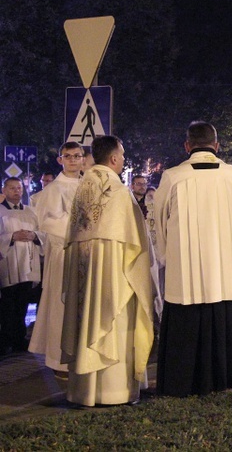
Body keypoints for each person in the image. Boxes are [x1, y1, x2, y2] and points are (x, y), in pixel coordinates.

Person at [154, 121, 232, 397]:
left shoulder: (173, 177)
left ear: (187, 146)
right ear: (217, 146)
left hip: (186, 273)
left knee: (186, 312)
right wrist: (231, 250)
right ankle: (229, 377)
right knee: (225, 310)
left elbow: (159, 222)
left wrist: (167, 256)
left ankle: (183, 381)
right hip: (226, 273)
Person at [60, 136, 154, 406]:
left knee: (85, 318)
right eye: (122, 155)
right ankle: (113, 392)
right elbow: (137, 241)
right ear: (113, 159)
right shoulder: (118, 190)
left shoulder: (83, 187)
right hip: (114, 273)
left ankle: (84, 391)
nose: (123, 160)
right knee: (112, 322)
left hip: (85, 270)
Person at [28, 142, 83, 376]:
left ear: (83, 158)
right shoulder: (53, 189)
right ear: (60, 160)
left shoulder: (88, 184)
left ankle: (80, 356)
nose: (73, 160)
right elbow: (47, 221)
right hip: (63, 253)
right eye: (67, 156)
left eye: (77, 156)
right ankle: (59, 359)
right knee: (60, 305)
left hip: (84, 254)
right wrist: (80, 229)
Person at [0, 177, 43, 356]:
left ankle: (19, 338)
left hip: (28, 264)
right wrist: (11, 237)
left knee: (22, 304)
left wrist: (34, 235)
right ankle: (5, 339)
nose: (16, 191)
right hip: (8, 263)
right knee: (7, 305)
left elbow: (42, 233)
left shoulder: (31, 212)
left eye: (19, 188)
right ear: (4, 190)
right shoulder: (1, 211)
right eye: (12, 188)